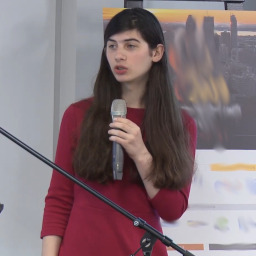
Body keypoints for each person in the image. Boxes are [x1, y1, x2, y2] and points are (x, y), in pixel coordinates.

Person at [41, 7, 197, 256]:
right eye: (112, 46)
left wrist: (142, 155)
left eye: (130, 46)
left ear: (156, 52)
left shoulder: (181, 124)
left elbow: (173, 209)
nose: (118, 55)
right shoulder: (78, 115)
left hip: (140, 249)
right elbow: (59, 198)